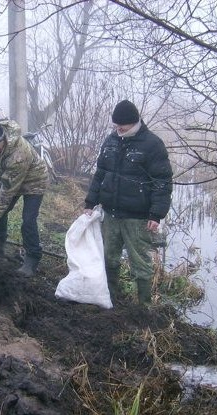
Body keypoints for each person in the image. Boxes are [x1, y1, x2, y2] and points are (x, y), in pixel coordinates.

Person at [84, 100, 173, 306]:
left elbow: (162, 182)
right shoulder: (111, 141)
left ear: (134, 123)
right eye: (115, 126)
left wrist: (155, 214)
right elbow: (100, 174)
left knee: (140, 263)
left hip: (137, 217)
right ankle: (110, 299)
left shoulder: (153, 144)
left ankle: (144, 306)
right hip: (111, 213)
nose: (118, 129)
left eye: (121, 126)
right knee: (109, 258)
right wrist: (90, 202)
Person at [0, 119, 49, 276]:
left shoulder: (18, 155)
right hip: (13, 176)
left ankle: (32, 258)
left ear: (4, 139)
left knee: (28, 220)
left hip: (35, 181)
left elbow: (8, 191)